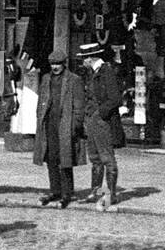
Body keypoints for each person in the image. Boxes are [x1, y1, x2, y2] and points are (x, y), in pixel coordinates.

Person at [33, 47, 85, 208]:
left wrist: (76, 124)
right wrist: (39, 117)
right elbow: (41, 100)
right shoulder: (46, 79)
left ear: (64, 64)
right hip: (49, 124)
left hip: (65, 124)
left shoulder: (73, 80)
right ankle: (54, 191)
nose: (55, 67)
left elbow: (79, 105)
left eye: (58, 64)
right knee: (50, 158)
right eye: (52, 64)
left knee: (65, 159)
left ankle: (67, 193)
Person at [79, 41, 125, 211]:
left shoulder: (107, 72)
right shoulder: (93, 73)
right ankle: (95, 191)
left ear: (89, 58)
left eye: (83, 59)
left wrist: (100, 114)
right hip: (92, 121)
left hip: (103, 122)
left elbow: (115, 99)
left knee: (107, 158)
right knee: (95, 158)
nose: (82, 62)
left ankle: (111, 194)